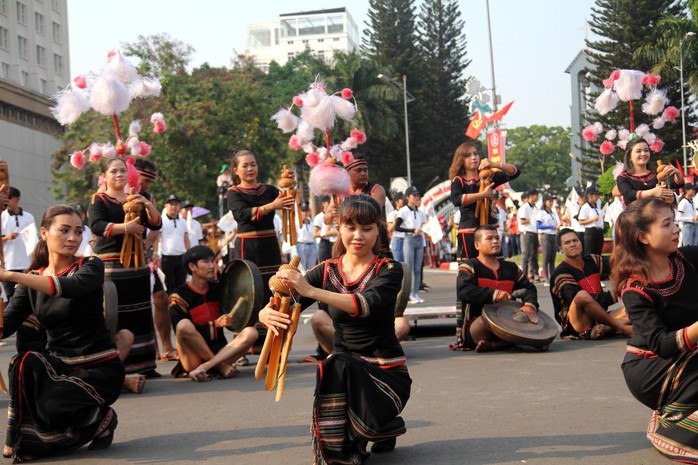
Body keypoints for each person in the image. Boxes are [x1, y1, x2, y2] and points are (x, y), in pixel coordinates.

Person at [260, 195, 411, 464]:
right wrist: (266, 312)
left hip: (386, 375)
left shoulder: (389, 269)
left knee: (337, 363)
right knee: (335, 364)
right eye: (351, 227)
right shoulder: (327, 270)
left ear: (378, 229)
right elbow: (290, 301)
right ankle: (350, 444)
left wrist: (309, 289)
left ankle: (381, 425)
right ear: (339, 227)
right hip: (345, 368)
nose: (358, 236)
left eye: (366, 228)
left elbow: (365, 304)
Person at [1, 205, 124, 460]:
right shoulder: (31, 279)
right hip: (60, 370)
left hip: (98, 369)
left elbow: (68, 287)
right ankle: (33, 438)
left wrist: (11, 275)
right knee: (24, 362)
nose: (73, 238)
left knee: (54, 406)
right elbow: (6, 326)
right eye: (64, 230)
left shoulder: (90, 266)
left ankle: (102, 418)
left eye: (78, 231)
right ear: (44, 232)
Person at [611, 197, 698, 462]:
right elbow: (662, 344)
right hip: (651, 369)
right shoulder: (635, 289)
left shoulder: (687, 259)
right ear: (644, 237)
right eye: (667, 224)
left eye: (674, 221)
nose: (676, 229)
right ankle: (673, 423)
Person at [89, 157, 162, 377]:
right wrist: (125, 228)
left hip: (137, 266)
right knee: (113, 313)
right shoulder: (99, 199)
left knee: (141, 311)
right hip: (111, 267)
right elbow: (96, 225)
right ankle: (116, 364)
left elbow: (156, 223)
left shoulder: (141, 197)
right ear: (105, 176)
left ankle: (145, 365)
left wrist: (147, 205)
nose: (119, 175)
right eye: (113, 171)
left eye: (122, 171)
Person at [169, 245, 258, 381]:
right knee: (183, 325)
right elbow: (180, 332)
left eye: (213, 261)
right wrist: (215, 324)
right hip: (193, 359)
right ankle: (219, 367)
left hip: (220, 352)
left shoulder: (218, 288)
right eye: (206, 262)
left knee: (251, 333)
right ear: (192, 267)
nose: (212, 266)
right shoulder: (179, 296)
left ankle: (210, 365)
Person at [226, 150, 295, 325]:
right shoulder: (234, 193)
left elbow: (288, 201)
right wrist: (272, 206)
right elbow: (241, 215)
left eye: (253, 164)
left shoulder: (269, 190)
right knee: (247, 289)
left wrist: (290, 185)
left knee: (274, 287)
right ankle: (246, 340)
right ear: (236, 170)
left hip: (269, 245)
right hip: (247, 246)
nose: (250, 168)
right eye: (245, 165)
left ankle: (273, 338)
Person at [452, 225, 539, 352]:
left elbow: (529, 289)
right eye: (489, 238)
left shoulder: (512, 267)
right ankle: (516, 341)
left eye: (497, 238)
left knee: (530, 318)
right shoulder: (469, 266)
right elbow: (464, 290)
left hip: (509, 321)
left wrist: (529, 305)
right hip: (478, 326)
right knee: (485, 322)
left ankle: (496, 344)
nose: (495, 241)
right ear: (477, 245)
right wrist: (494, 294)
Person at [550, 228, 632, 339]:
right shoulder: (561, 273)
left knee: (633, 310)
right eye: (567, 243)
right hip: (578, 322)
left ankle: (605, 328)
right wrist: (615, 294)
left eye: (575, 240)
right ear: (561, 249)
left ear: (581, 242)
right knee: (582, 296)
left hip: (601, 317)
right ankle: (620, 327)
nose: (573, 244)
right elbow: (579, 300)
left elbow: (617, 264)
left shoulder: (592, 260)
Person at [134, 158, 178, 363]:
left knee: (161, 298)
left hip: (142, 256)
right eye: (145, 179)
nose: (147, 184)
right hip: (118, 257)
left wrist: (146, 245)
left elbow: (156, 227)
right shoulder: (114, 193)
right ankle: (145, 349)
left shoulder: (148, 197)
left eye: (150, 181)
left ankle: (167, 347)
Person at [449, 140, 520, 260]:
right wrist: (483, 194)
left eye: (475, 154)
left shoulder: (488, 176)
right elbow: (456, 200)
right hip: (468, 232)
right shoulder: (459, 180)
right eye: (468, 155)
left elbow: (515, 172)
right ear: (461, 160)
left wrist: (495, 165)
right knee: (469, 271)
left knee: (494, 269)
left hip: (489, 232)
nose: (473, 158)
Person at [615, 137, 683, 207]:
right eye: (638, 151)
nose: (643, 153)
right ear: (630, 156)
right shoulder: (623, 177)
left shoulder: (656, 176)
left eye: (646, 150)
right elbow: (629, 193)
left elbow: (678, 185)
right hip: (635, 216)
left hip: (656, 215)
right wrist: (653, 192)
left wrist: (677, 173)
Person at [1, 187, 37, 300]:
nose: (6, 201)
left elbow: (33, 238)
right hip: (8, 264)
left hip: (26, 264)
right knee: (10, 296)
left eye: (9, 198)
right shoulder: (2, 216)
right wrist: (7, 237)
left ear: (17, 199)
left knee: (24, 296)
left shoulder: (28, 217)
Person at [395, 186, 427, 304]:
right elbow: (397, 227)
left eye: (417, 195)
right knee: (408, 269)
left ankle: (415, 293)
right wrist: (412, 230)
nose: (417, 197)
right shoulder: (403, 211)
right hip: (409, 239)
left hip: (419, 239)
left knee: (418, 269)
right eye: (414, 195)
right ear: (408, 197)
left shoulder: (421, 212)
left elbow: (423, 225)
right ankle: (407, 294)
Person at [159, 195, 190, 292]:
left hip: (181, 256)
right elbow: (156, 238)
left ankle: (179, 305)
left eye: (176, 204)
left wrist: (189, 254)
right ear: (165, 206)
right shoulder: (161, 221)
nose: (174, 206)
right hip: (167, 257)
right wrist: (155, 253)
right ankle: (170, 306)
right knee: (169, 285)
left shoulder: (183, 222)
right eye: (171, 204)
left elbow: (186, 239)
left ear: (179, 206)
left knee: (181, 284)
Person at [535, 194, 559, 285]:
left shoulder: (552, 212)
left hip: (553, 235)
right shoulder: (541, 213)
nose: (551, 203)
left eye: (552, 201)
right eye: (549, 201)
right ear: (545, 202)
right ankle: (546, 278)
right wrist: (550, 226)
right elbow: (538, 225)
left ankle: (553, 277)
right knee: (546, 257)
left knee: (552, 258)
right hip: (545, 235)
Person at [518, 188, 541, 281]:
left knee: (534, 254)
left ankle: (534, 273)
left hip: (534, 232)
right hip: (526, 233)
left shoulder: (536, 207)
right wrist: (532, 220)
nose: (538, 197)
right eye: (536, 195)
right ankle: (523, 275)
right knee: (526, 254)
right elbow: (522, 221)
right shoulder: (524, 207)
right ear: (531, 196)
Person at [577, 186, 605, 256]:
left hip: (599, 231)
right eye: (596, 195)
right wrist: (592, 220)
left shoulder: (596, 207)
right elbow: (581, 221)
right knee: (590, 253)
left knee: (598, 253)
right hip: (591, 231)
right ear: (590, 196)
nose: (597, 197)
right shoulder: (586, 207)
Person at [295, 202, 317, 271]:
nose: (304, 213)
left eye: (306, 211)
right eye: (303, 211)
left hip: (311, 246)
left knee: (312, 269)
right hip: (301, 246)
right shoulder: (297, 222)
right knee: (302, 268)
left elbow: (314, 236)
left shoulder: (310, 221)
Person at [387, 192, 406, 262]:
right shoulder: (392, 214)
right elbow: (390, 229)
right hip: (397, 240)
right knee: (398, 263)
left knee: (406, 265)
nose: (404, 201)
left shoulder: (407, 212)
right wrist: (396, 220)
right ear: (396, 201)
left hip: (407, 240)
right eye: (401, 199)